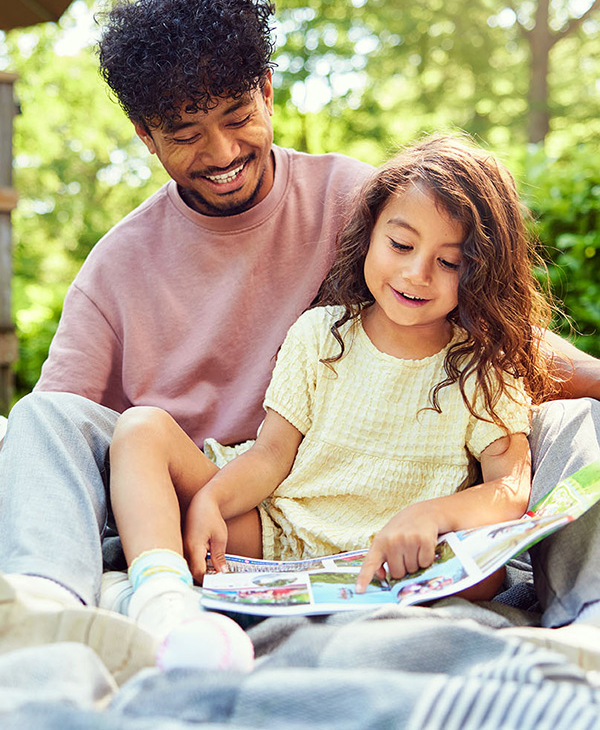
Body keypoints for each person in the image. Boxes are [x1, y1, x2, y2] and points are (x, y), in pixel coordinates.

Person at [0, 0, 597, 681]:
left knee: (576, 421)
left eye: (236, 115)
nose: (221, 153)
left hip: (365, 487)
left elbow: (491, 321)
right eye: (186, 133)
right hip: (209, 494)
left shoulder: (359, 200)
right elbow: (62, 437)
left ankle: (587, 615)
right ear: (145, 136)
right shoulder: (115, 267)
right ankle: (43, 606)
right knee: (39, 418)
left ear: (269, 92)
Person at [107, 134, 551, 615]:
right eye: (400, 244)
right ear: (370, 233)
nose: (417, 273)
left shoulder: (483, 366)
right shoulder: (322, 332)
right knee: (140, 430)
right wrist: (212, 499)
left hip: (394, 559)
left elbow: (509, 489)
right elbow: (272, 456)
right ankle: (161, 596)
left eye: (449, 262)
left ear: (481, 272)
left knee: (488, 576)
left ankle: (160, 567)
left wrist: (430, 516)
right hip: (281, 531)